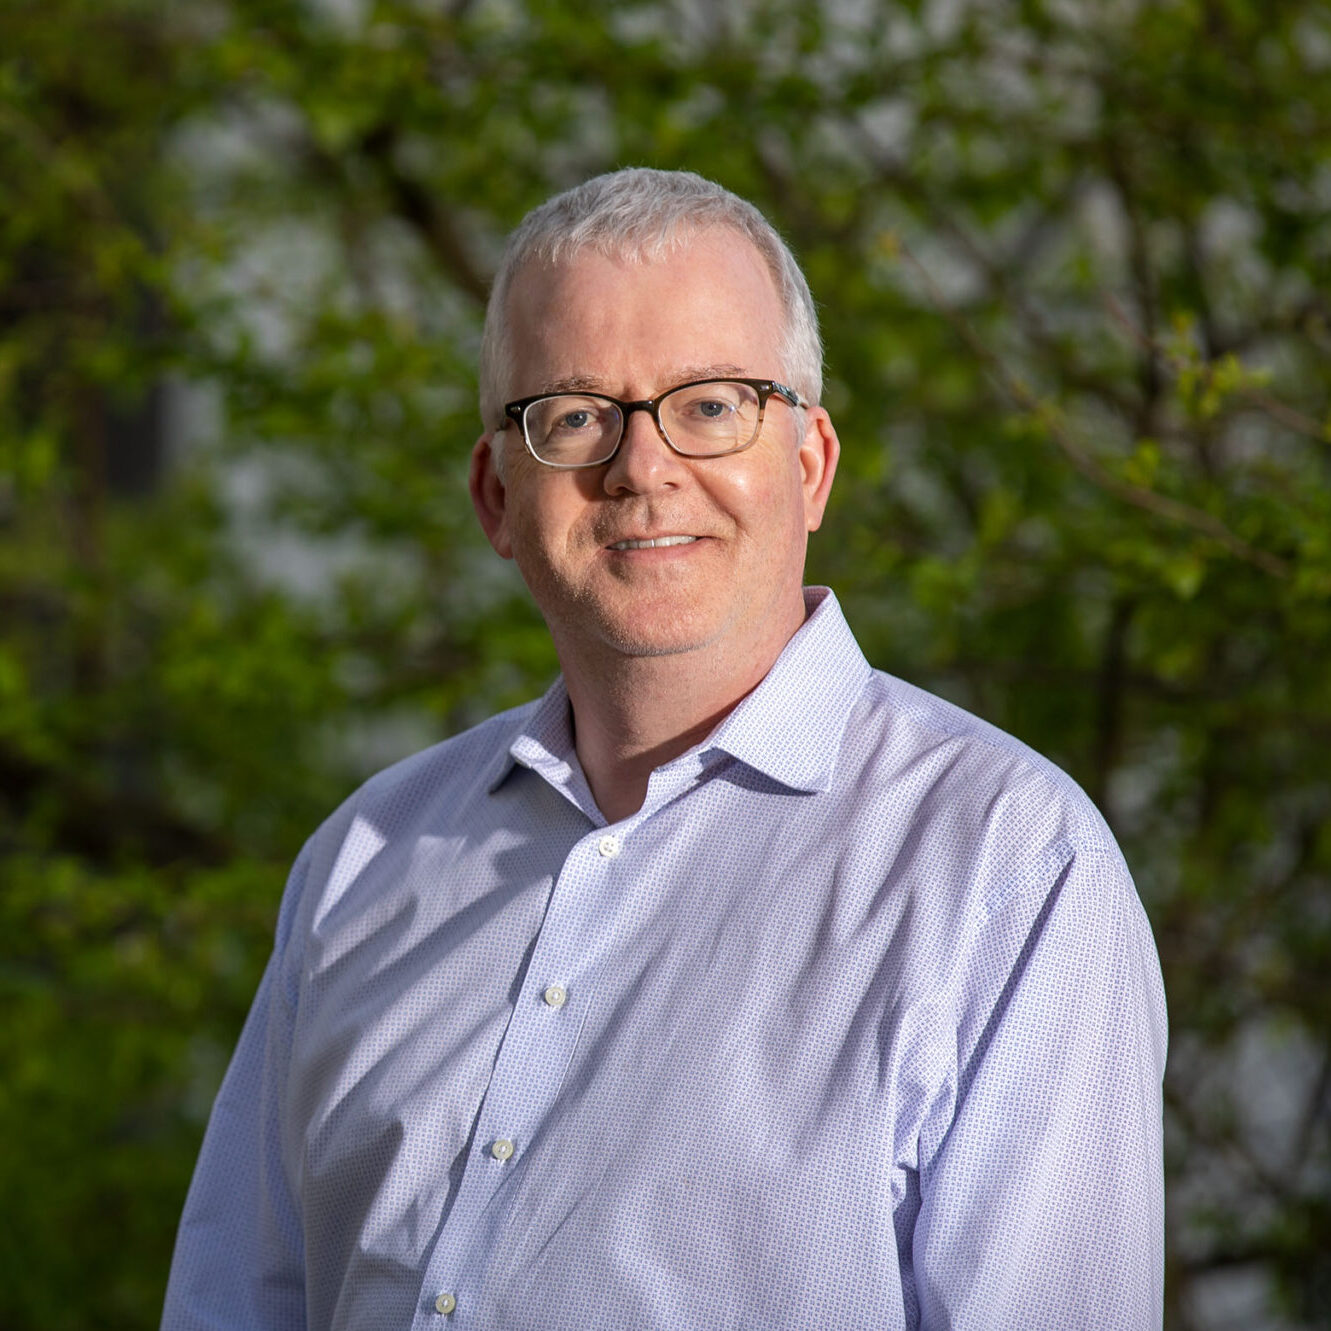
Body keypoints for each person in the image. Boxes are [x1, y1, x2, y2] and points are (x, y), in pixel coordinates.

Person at [161, 168, 1167, 1330]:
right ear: (496, 494)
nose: (641, 468)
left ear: (808, 464)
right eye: (576, 415)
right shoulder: (365, 863)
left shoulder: (1005, 868)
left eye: (710, 404)